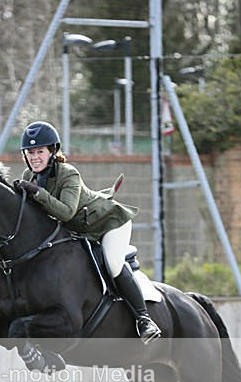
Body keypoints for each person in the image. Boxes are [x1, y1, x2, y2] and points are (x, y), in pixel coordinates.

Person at [15, 120, 161, 344]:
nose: (34, 157)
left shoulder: (68, 174)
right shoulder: (30, 176)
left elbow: (66, 212)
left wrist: (37, 193)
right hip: (80, 231)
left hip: (108, 224)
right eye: (30, 152)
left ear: (52, 151)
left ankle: (144, 320)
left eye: (40, 152)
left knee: (112, 264)